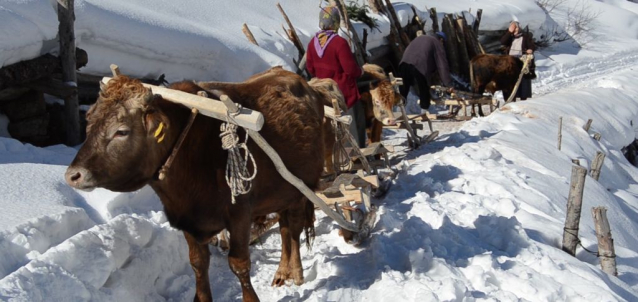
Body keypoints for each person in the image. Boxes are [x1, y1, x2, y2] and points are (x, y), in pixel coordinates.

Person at [306, 6, 366, 148]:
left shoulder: (312, 44)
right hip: (343, 94)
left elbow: (310, 68)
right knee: (354, 123)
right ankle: (357, 154)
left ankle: (336, 156)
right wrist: (361, 72)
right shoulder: (339, 43)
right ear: (336, 22)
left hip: (324, 95)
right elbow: (350, 70)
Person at [398, 32, 453, 112]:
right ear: (441, 39)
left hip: (404, 63)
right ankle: (424, 111)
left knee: (403, 89)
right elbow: (442, 65)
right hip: (419, 66)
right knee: (423, 87)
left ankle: (399, 110)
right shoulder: (436, 42)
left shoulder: (420, 38)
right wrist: (448, 84)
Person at [501, 21, 536, 101]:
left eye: (516, 28)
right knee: (510, 79)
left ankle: (523, 97)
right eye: (513, 28)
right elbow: (503, 42)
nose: (515, 30)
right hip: (510, 61)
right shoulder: (509, 37)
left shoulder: (525, 37)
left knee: (523, 79)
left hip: (521, 60)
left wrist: (530, 50)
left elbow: (532, 46)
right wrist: (510, 32)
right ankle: (511, 97)